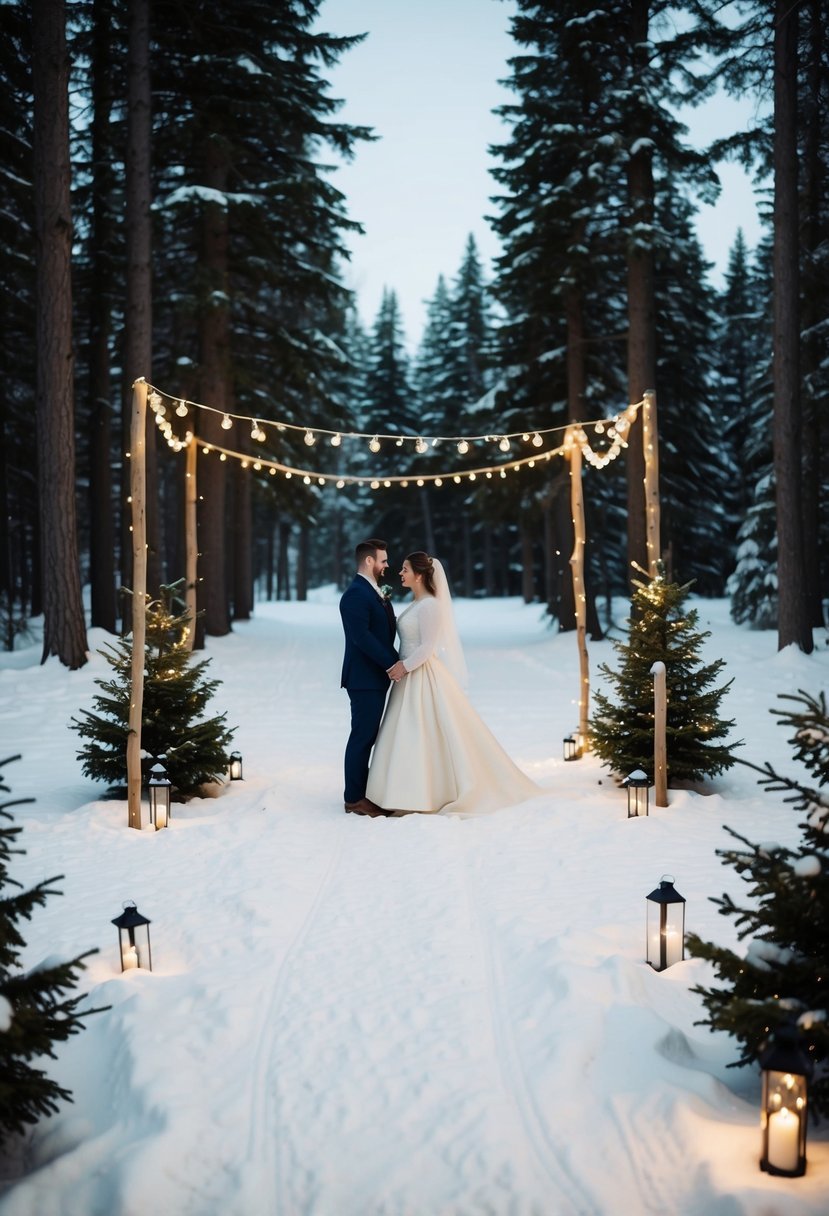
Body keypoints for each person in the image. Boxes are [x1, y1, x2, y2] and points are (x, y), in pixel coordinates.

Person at [366, 551, 540, 815]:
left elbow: (427, 647)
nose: (400, 573)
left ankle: (425, 792)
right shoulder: (416, 603)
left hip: (421, 674)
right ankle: (396, 790)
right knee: (405, 732)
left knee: (421, 732)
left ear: (421, 574)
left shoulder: (431, 606)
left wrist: (404, 666)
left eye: (405, 569)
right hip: (406, 678)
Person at [339, 538, 399, 817]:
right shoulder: (354, 595)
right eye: (383, 560)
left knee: (368, 736)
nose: (387, 565)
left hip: (375, 677)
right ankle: (354, 798)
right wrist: (393, 663)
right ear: (369, 561)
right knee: (362, 737)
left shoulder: (372, 591)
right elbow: (361, 637)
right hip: (363, 679)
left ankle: (363, 791)